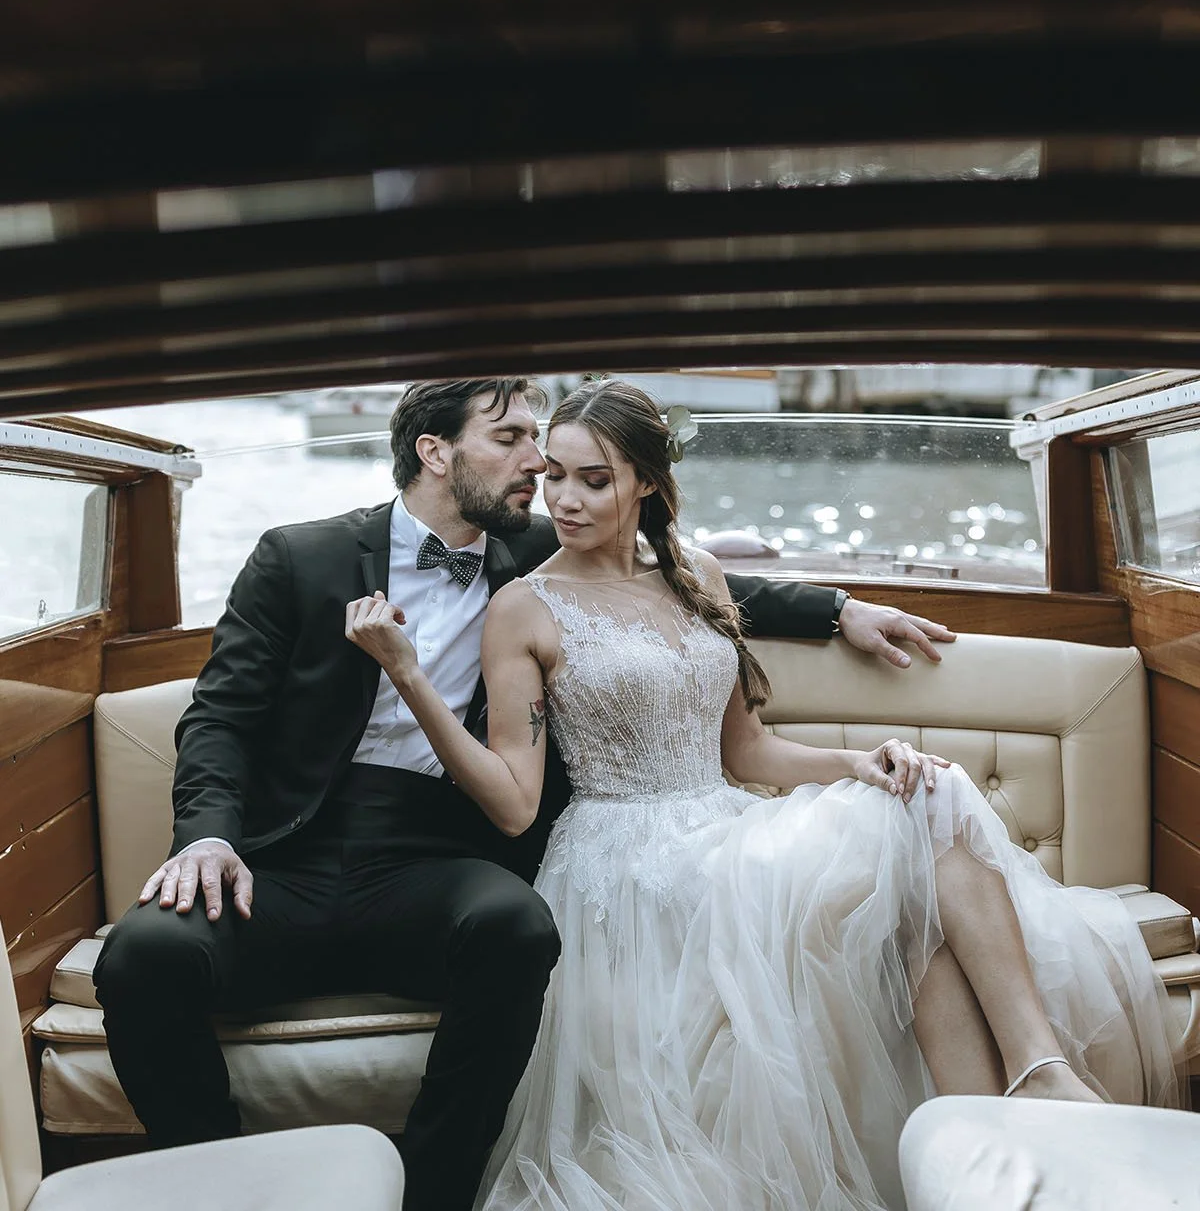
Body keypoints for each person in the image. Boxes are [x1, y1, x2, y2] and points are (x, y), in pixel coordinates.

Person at [93, 376, 953, 1211]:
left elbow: (674, 580)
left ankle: (433, 1194)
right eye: (510, 439)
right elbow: (220, 719)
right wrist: (207, 838)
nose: (538, 466)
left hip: (435, 852)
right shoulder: (299, 555)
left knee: (514, 928)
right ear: (435, 451)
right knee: (140, 956)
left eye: (540, 443)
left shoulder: (536, 550)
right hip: (286, 855)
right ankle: (219, 1185)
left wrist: (837, 610)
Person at [345, 378, 1182, 1211]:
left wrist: (863, 764)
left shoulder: (698, 573)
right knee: (902, 883)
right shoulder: (523, 608)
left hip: (724, 823)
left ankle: (1030, 1090)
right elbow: (514, 804)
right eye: (553, 476)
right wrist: (409, 676)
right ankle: (1008, 1115)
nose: (563, 499)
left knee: (930, 796)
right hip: (630, 869)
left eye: (592, 480)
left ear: (645, 482)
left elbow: (749, 749)